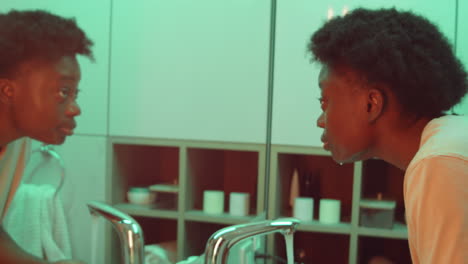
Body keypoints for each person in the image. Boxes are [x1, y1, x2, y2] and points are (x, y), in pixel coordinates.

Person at [309, 7, 468, 263]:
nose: (320, 120)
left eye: (325, 101)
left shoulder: (439, 162)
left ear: (371, 104)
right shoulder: (448, 142)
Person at [0, 9, 93, 263]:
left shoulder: (17, 142)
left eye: (75, 94)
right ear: (8, 90)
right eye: (63, 92)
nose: (75, 109)